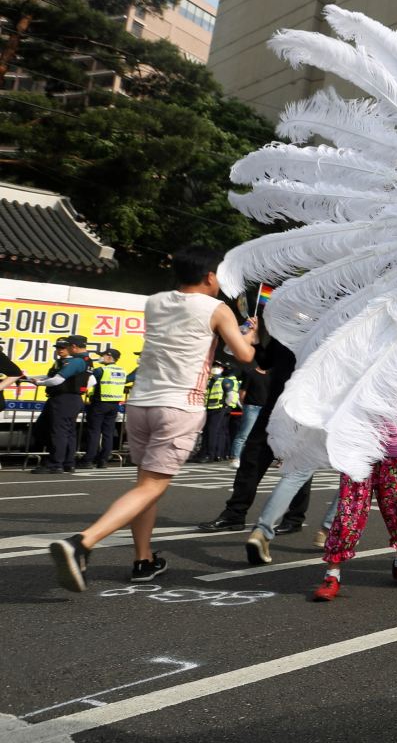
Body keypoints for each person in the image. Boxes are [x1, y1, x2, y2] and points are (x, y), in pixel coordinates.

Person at [50, 248, 258, 591]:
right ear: (210, 277)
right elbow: (245, 354)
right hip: (178, 406)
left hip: (141, 403)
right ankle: (82, 543)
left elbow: (189, 340)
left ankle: (143, 560)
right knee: (151, 486)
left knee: (145, 487)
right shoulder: (217, 309)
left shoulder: (156, 302)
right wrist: (247, 333)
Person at [311, 396, 397, 600]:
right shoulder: (350, 369)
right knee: (348, 514)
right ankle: (332, 575)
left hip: (396, 453)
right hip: (357, 452)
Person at [197, 328, 313, 534]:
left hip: (301, 407)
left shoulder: (319, 332)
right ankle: (234, 513)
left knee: (297, 464)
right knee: (251, 458)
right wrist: (257, 341)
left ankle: (294, 517)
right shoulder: (282, 332)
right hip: (273, 406)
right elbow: (266, 362)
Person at [29, 334, 93, 473]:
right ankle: (67, 463)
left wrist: (39, 383)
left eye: (67, 346)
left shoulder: (77, 361)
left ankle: (55, 464)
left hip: (63, 399)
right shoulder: (87, 361)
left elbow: (57, 380)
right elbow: (91, 381)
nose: (65, 348)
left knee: (57, 432)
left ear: (74, 347)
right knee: (67, 432)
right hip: (73, 399)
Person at [83, 347, 128, 469]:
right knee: (108, 433)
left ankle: (88, 460)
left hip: (99, 404)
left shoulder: (101, 370)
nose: (100, 357)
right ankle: (103, 460)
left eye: (102, 355)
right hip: (114, 405)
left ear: (109, 357)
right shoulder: (122, 371)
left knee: (94, 432)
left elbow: (88, 383)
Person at [229, 361, 269, 463]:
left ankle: (254, 458)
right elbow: (242, 392)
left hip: (264, 409)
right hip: (251, 407)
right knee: (244, 434)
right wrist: (245, 405)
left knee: (260, 435)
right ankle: (235, 457)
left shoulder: (270, 376)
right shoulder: (250, 373)